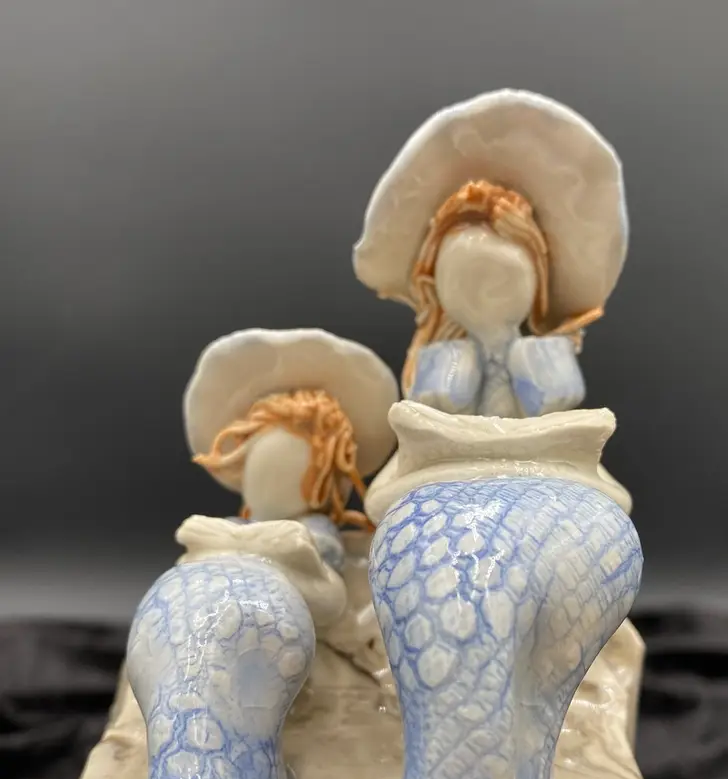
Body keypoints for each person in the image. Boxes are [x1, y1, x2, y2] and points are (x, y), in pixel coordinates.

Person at [353, 90, 628, 418]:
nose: (485, 292)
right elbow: (424, 414)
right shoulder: (444, 360)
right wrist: (443, 393)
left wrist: (547, 379)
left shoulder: (541, 356)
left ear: (537, 277)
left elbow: (559, 403)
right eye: (463, 281)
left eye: (506, 279)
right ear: (436, 285)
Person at [183, 327, 399, 570]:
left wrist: (243, 542)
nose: (268, 486)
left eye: (284, 474)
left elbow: (318, 558)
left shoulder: (313, 534)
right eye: (261, 472)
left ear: (326, 484)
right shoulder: (237, 528)